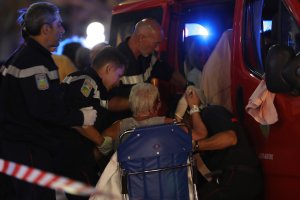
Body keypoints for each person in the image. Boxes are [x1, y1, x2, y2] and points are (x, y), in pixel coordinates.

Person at [0, 2, 97, 200]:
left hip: (18, 147)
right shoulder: (34, 61)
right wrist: (80, 117)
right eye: (58, 24)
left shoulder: (22, 56)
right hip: (29, 149)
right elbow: (43, 109)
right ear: (46, 29)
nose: (62, 29)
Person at [58, 47, 127, 200]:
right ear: (109, 68)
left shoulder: (91, 83)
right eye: (119, 75)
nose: (118, 82)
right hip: (73, 157)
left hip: (76, 156)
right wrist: (101, 142)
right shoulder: (87, 82)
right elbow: (77, 120)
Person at [184, 88, 264, 200]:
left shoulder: (210, 112)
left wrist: (195, 145)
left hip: (238, 177)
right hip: (235, 177)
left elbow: (231, 138)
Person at [110, 18, 187, 119]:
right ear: (141, 38)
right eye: (156, 43)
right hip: (121, 124)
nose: (158, 49)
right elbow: (108, 102)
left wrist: (187, 86)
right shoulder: (114, 60)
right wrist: (138, 102)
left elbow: (168, 72)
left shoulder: (148, 57)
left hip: (142, 121)